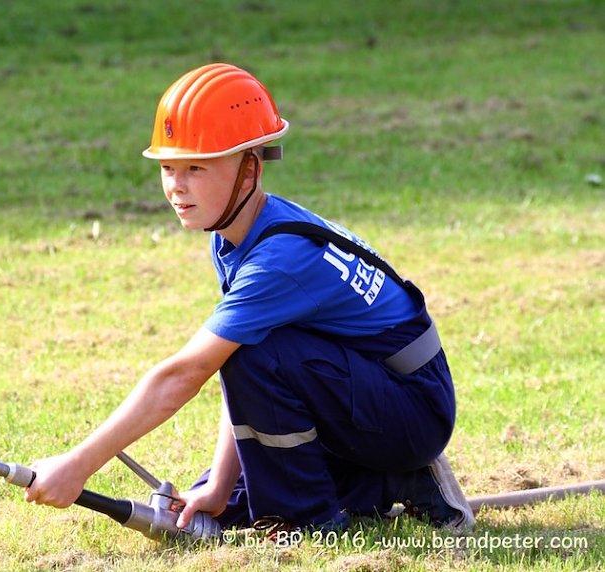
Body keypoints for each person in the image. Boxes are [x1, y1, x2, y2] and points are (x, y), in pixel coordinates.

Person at [24, 63, 474, 534]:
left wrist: (78, 464)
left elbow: (184, 374)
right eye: (167, 168)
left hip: (412, 408)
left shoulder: (277, 259)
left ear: (249, 169)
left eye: (196, 167)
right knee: (219, 510)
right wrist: (219, 485)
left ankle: (309, 523)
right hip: (367, 394)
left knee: (269, 480)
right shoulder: (234, 233)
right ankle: (391, 482)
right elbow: (248, 362)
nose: (176, 186)